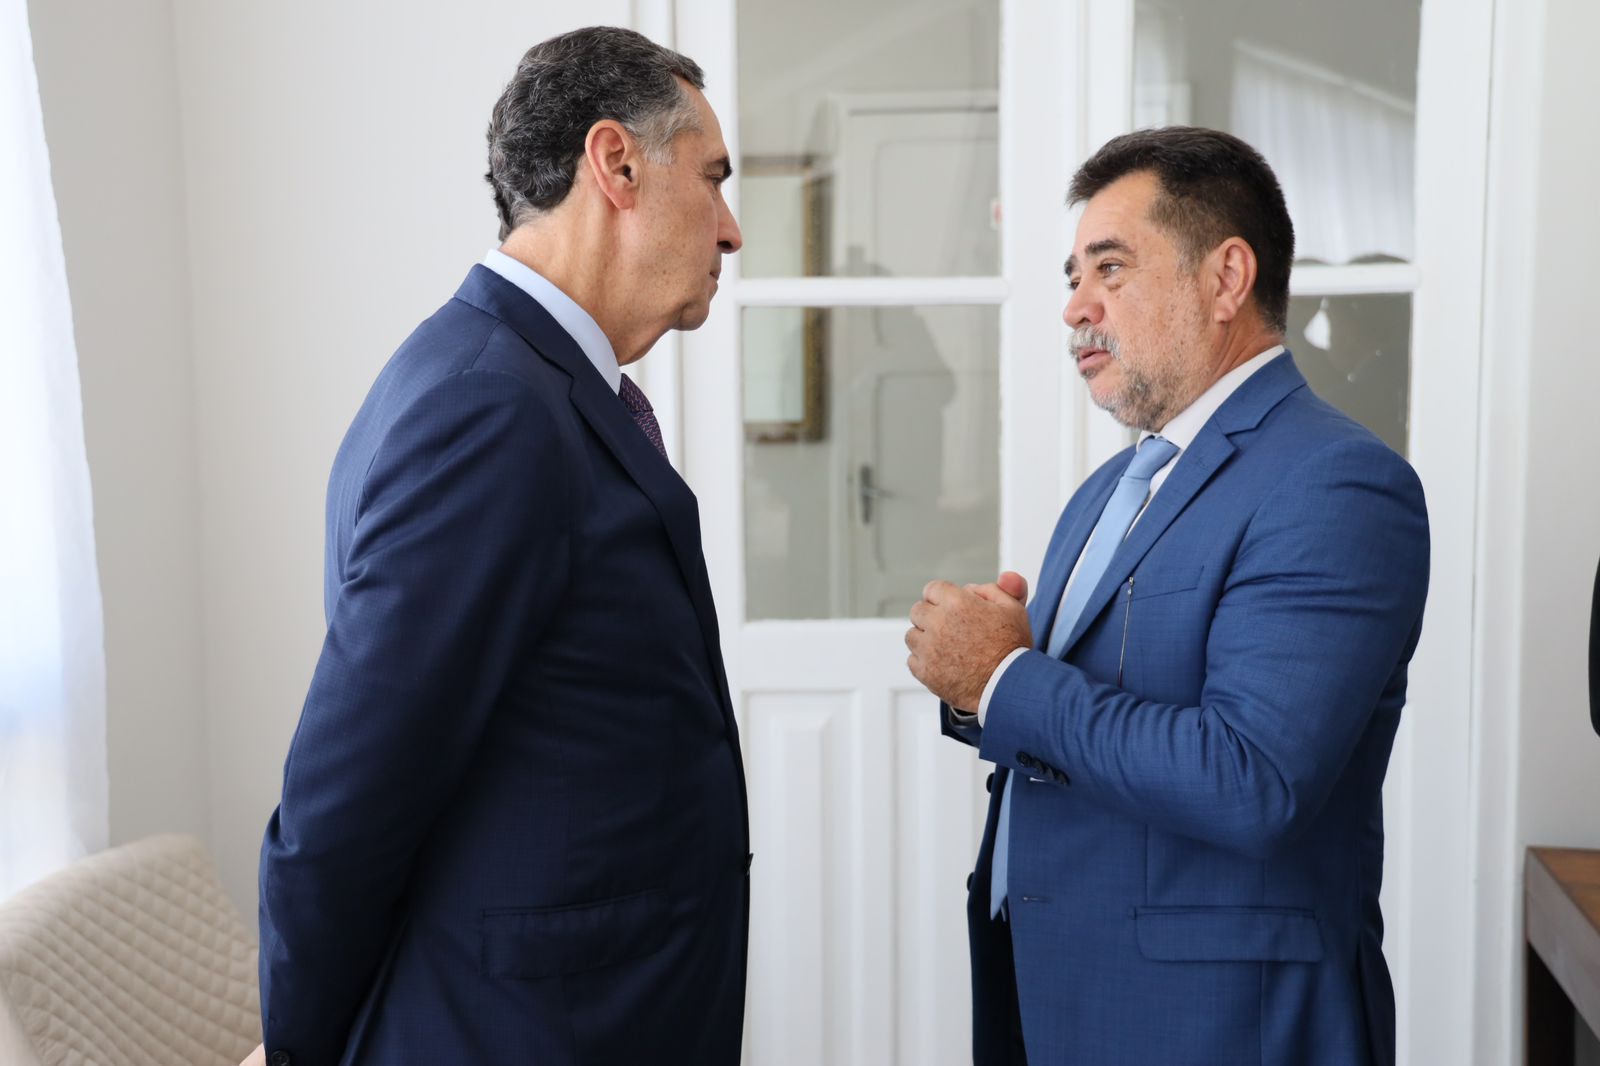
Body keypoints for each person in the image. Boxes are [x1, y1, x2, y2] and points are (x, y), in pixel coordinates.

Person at [243, 26, 748, 1066]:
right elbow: (346, 800)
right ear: (615, 164)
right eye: (712, 178)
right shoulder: (491, 408)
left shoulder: (509, 378)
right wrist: (299, 1051)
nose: (731, 230)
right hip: (533, 1031)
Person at [905, 127, 1429, 1066]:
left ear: (1226, 279)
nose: (1075, 307)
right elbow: (1067, 714)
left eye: (1109, 269)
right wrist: (983, 686)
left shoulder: (1338, 483)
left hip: (1217, 1020)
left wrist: (1003, 678)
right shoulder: (1109, 489)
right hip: (1050, 981)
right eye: (1073, 277)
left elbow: (1252, 779)